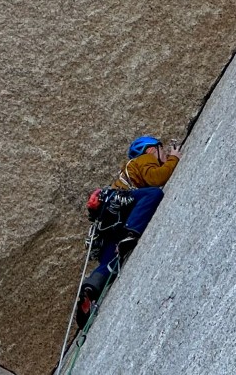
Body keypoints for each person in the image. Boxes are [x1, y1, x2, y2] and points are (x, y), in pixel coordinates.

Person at [72, 135, 180, 334]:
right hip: (123, 210)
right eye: (162, 151)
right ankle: (131, 233)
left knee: (110, 264)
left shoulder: (128, 170)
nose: (164, 155)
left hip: (110, 223)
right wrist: (175, 158)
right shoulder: (143, 160)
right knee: (153, 193)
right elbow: (157, 178)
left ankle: (90, 292)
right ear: (150, 150)